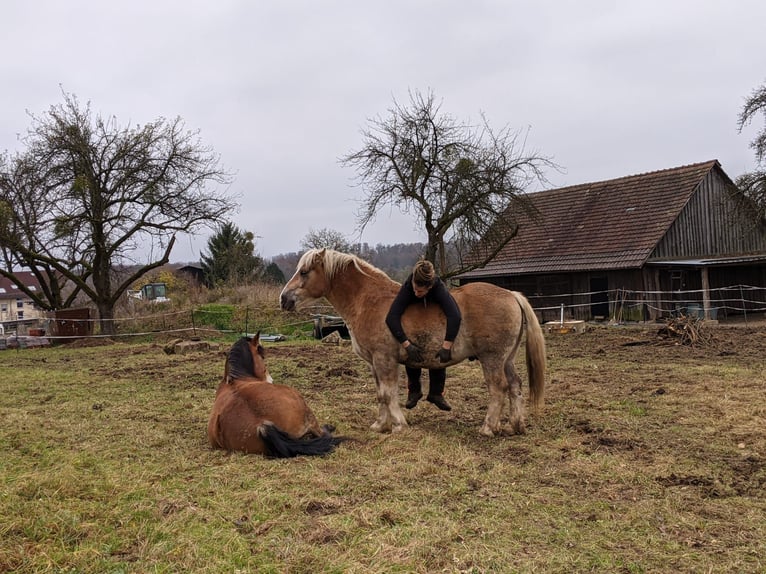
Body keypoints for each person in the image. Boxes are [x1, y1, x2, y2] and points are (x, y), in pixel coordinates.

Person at [385, 259, 461, 411]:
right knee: (413, 353)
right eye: (415, 289)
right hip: (413, 322)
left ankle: (436, 393)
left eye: (420, 291)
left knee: (437, 353)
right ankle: (414, 391)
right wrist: (406, 344)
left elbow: (455, 316)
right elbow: (391, 317)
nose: (416, 293)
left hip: (435, 320)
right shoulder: (409, 286)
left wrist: (447, 346)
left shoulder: (438, 287)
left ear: (430, 286)